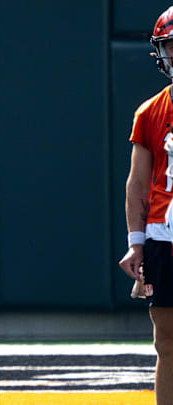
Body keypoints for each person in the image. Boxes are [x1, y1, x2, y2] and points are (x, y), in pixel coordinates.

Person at [119, 6, 173, 404]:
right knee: (167, 341)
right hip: (163, 235)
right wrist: (136, 242)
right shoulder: (151, 111)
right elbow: (137, 183)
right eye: (172, 47)